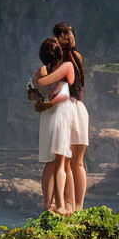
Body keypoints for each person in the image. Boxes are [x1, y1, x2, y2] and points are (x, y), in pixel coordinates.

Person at [32, 36, 74, 214]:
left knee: (50, 163)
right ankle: (61, 205)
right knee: (61, 160)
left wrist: (41, 104)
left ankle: (48, 205)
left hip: (47, 116)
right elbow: (60, 95)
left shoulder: (40, 73)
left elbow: (37, 93)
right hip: (60, 114)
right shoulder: (61, 73)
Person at [54, 21, 89, 211]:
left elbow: (56, 87)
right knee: (78, 162)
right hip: (80, 108)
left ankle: (67, 204)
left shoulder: (61, 60)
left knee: (65, 161)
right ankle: (79, 206)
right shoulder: (77, 57)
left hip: (66, 109)